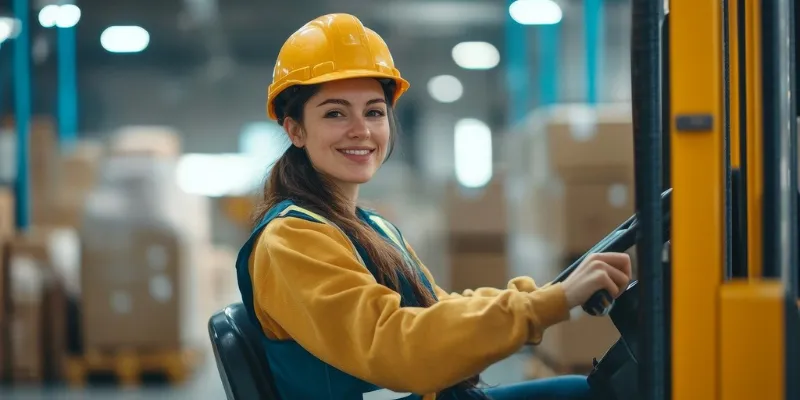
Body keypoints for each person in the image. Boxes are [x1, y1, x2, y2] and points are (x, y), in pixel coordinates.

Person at [234, 13, 633, 400]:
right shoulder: (292, 239)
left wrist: (547, 294)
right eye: (335, 113)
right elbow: (395, 346)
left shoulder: (371, 227)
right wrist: (545, 305)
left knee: (594, 390)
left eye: (374, 112)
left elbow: (438, 308)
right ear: (296, 129)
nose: (362, 130)